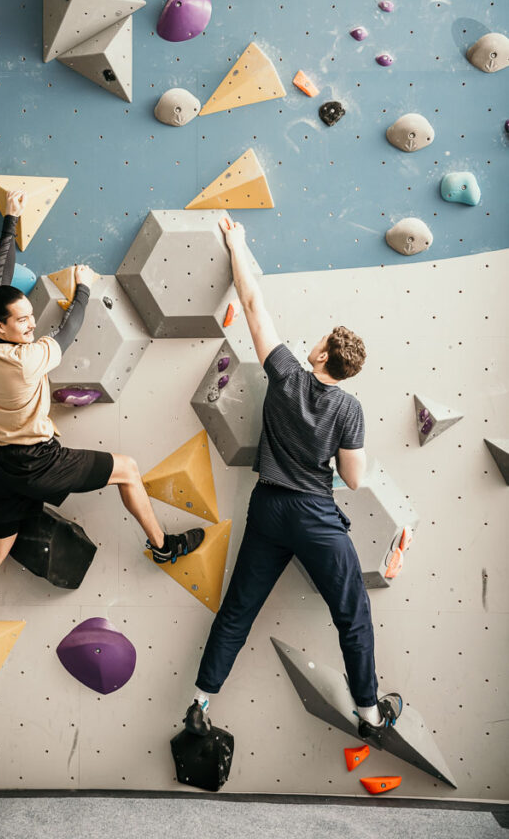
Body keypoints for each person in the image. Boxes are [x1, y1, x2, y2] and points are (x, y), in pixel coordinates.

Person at [0, 190, 204, 659]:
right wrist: (83, 288)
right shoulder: (27, 360)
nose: (30, 325)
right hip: (38, 460)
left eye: (29, 317)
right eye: (22, 321)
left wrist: (10, 220)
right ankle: (163, 546)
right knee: (128, 469)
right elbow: (69, 331)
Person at [182, 215, 402, 743]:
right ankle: (370, 715)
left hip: (268, 508)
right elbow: (353, 479)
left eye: (319, 340)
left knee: (238, 609)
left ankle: (200, 703)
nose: (312, 341)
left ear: (322, 356)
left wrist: (236, 243)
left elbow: (252, 304)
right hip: (314, 514)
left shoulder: (284, 375)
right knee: (352, 614)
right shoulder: (349, 409)